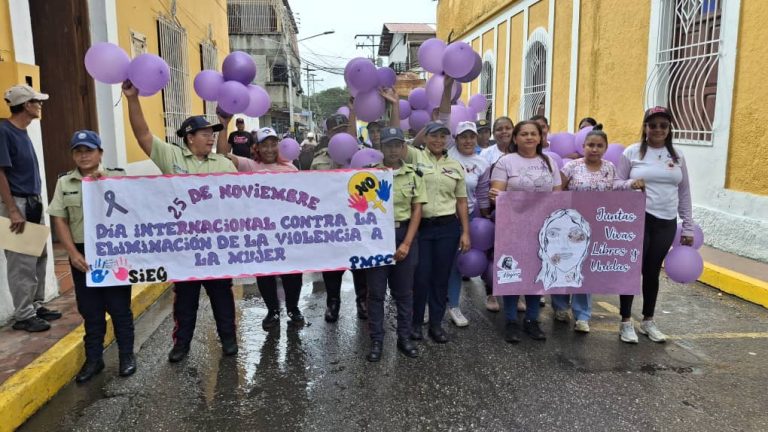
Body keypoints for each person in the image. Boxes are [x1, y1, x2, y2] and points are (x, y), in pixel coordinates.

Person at [122, 80, 238, 362]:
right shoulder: (170, 156)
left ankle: (229, 340)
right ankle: (181, 345)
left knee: (222, 296)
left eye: (213, 134)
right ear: (189, 137)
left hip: (216, 245)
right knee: (185, 299)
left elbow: (240, 201)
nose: (211, 138)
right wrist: (133, 99)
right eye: (205, 133)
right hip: (184, 245)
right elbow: (143, 135)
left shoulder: (223, 164)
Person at [48, 130, 136, 382]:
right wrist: (72, 253)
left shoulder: (118, 177)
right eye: (78, 151)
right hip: (82, 256)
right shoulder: (65, 183)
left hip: (113, 253)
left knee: (120, 309)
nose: (84, 155)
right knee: (91, 310)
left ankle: (127, 357)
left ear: (100, 153)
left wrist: (104, 182)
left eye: (88, 150)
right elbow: (60, 219)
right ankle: (94, 360)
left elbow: (136, 209)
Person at [553, 125, 643, 333]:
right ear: (583, 146)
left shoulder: (610, 168)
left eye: (599, 146)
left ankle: (582, 315)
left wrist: (633, 187)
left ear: (605, 148)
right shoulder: (571, 167)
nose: (594, 149)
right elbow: (557, 191)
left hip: (596, 226)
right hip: (570, 226)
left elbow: (617, 191)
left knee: (585, 269)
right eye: (590, 145)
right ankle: (559, 306)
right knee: (565, 263)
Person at [401, 76, 471, 343]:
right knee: (420, 278)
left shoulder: (455, 166)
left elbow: (462, 201)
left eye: (443, 136)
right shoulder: (416, 157)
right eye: (434, 135)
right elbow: (402, 142)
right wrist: (398, 108)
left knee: (441, 278)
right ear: (426, 138)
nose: (439, 140)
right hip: (421, 228)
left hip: (448, 228)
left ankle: (436, 326)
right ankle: (417, 324)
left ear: (447, 140)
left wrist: (465, 232)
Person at [616, 106, 694, 344]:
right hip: (638, 219)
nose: (658, 129)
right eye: (653, 125)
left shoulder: (677, 156)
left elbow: (684, 192)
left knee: (652, 272)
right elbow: (615, 183)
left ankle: (648, 320)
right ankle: (625, 322)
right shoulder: (632, 153)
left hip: (666, 222)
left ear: (669, 129)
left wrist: (688, 226)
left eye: (663, 125)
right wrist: (630, 183)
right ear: (645, 127)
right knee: (632, 270)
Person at [217, 121, 305, 331]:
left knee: (293, 273)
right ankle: (273, 311)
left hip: (287, 232)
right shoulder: (249, 166)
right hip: (261, 234)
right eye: (264, 145)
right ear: (256, 147)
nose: (269, 149)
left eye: (273, 144)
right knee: (265, 274)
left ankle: (293, 309)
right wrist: (223, 124)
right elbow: (222, 156)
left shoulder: (290, 169)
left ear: (279, 146)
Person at [489, 120, 562, 343]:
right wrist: (497, 197)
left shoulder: (549, 161)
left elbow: (557, 194)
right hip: (513, 228)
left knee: (537, 273)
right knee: (513, 272)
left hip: (543, 229)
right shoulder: (505, 162)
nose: (529, 137)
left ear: (540, 138)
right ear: (515, 138)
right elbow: (496, 196)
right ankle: (510, 320)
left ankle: (532, 320)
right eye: (524, 134)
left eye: (533, 134)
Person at [0, 84, 61, 332]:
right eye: (37, 101)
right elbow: (1, 172)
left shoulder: (22, 130)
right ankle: (24, 314)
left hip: (32, 201)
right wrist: (13, 209)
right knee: (21, 261)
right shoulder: (4, 131)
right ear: (26, 105)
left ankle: (35, 305)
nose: (40, 105)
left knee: (39, 256)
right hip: (18, 203)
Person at [364, 126, 425, 361]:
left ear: (403, 147)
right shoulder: (370, 176)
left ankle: (404, 338)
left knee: (404, 293)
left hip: (404, 235)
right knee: (376, 293)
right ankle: (377, 341)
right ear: (381, 148)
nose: (392, 149)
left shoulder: (414, 175)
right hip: (377, 238)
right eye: (388, 145)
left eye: (397, 145)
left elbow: (417, 210)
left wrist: (407, 244)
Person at [311, 111, 369, 322]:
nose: (340, 135)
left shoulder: (362, 156)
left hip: (357, 220)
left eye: (344, 130)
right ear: (328, 134)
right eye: (335, 132)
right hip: (331, 223)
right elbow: (311, 192)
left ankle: (362, 301)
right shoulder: (318, 160)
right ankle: (333, 303)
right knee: (332, 267)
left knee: (360, 265)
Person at [445, 121, 491, 327]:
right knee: (436, 265)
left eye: (471, 136)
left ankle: (454, 306)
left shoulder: (482, 163)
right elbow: (444, 117)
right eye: (463, 136)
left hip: (469, 217)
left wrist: (484, 219)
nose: (468, 140)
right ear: (455, 139)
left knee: (458, 263)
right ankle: (429, 304)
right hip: (443, 216)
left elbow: (481, 195)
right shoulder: (447, 154)